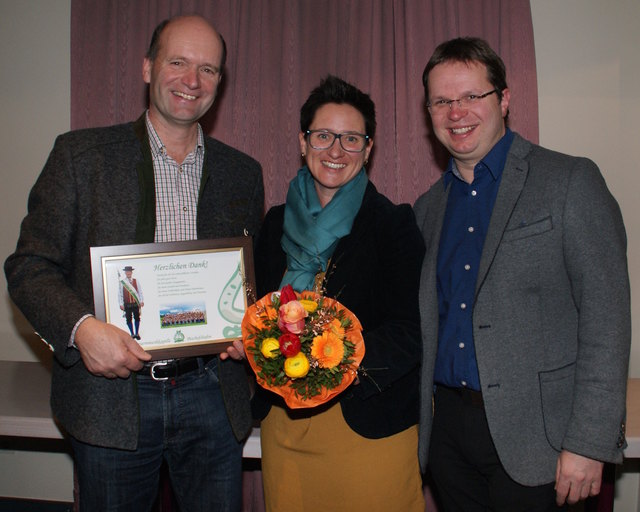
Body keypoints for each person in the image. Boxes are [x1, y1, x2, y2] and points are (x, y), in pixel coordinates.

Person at [5, 15, 263, 512]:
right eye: (178, 62)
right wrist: (81, 329)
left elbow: (245, 277)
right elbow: (29, 266)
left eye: (208, 69)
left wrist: (246, 322)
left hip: (212, 393)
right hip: (112, 398)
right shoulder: (81, 156)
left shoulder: (242, 173)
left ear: (220, 83)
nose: (192, 81)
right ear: (147, 68)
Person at [414, 37, 631, 511]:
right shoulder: (427, 209)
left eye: (472, 96)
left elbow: (607, 319)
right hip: (449, 440)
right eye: (442, 101)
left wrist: (590, 441)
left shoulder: (571, 181)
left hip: (545, 447)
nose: (457, 112)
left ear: (505, 99)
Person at [252, 75, 426, 511]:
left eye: (351, 139)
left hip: (365, 424)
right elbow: (253, 311)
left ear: (368, 149)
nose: (335, 150)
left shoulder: (393, 225)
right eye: (324, 135)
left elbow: (410, 331)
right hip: (285, 423)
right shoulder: (272, 224)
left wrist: (330, 358)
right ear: (302, 141)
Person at [119, 266, 144, 340]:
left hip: (135, 303)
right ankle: (132, 334)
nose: (128, 273)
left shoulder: (136, 281)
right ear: (125, 273)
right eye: (127, 272)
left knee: (137, 318)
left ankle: (137, 333)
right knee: (128, 319)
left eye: (129, 271)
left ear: (131, 272)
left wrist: (141, 301)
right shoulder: (122, 282)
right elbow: (120, 294)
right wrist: (121, 304)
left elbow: (140, 291)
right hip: (127, 304)